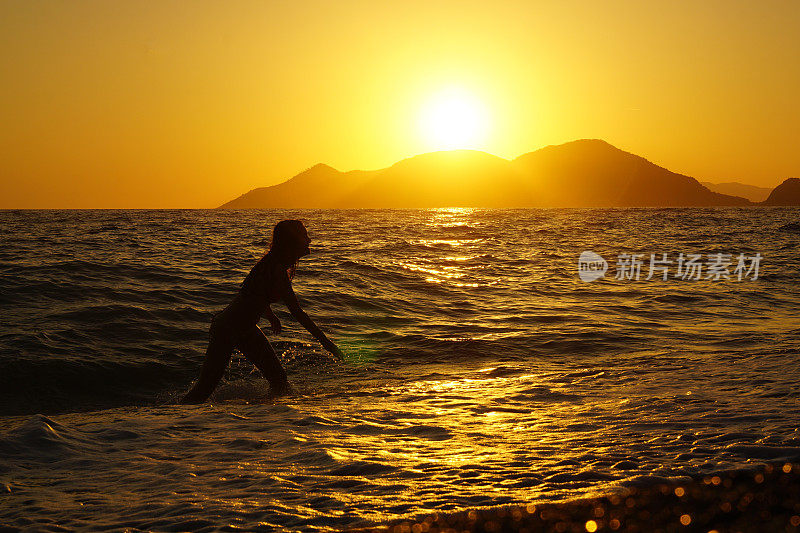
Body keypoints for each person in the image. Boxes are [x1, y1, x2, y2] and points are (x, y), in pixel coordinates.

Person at [181, 219, 343, 404]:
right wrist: (326, 343)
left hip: (245, 329)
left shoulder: (273, 263)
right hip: (227, 329)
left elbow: (254, 293)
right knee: (203, 391)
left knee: (279, 381)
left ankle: (262, 420)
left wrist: (270, 315)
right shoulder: (276, 269)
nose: (309, 240)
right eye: (304, 236)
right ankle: (169, 424)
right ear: (292, 241)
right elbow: (297, 312)